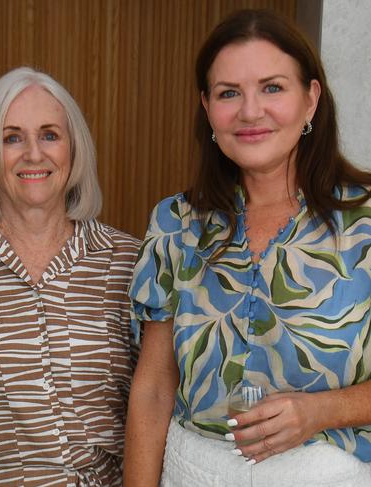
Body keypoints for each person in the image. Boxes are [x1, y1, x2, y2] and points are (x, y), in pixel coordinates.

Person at [125, 9, 371, 487]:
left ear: (311, 99)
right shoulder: (176, 223)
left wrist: (322, 410)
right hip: (190, 474)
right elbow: (154, 389)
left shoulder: (365, 222)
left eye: (272, 87)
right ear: (207, 107)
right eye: (228, 93)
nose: (250, 111)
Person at [0, 67, 140, 485]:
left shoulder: (129, 261)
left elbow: (159, 399)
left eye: (50, 134)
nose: (34, 153)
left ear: (74, 151)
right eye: (11, 137)